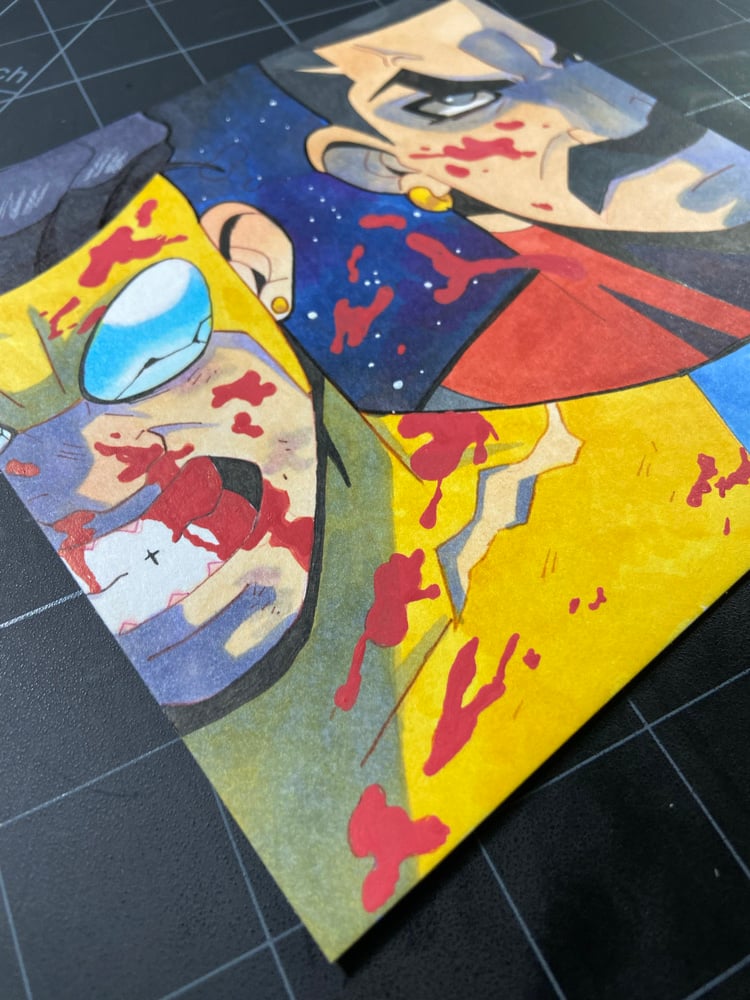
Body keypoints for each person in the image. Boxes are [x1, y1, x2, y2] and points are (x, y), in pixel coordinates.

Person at [263, 0, 750, 406]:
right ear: (379, 165)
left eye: (568, 60)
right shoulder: (509, 375)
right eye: (456, 101)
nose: (602, 115)